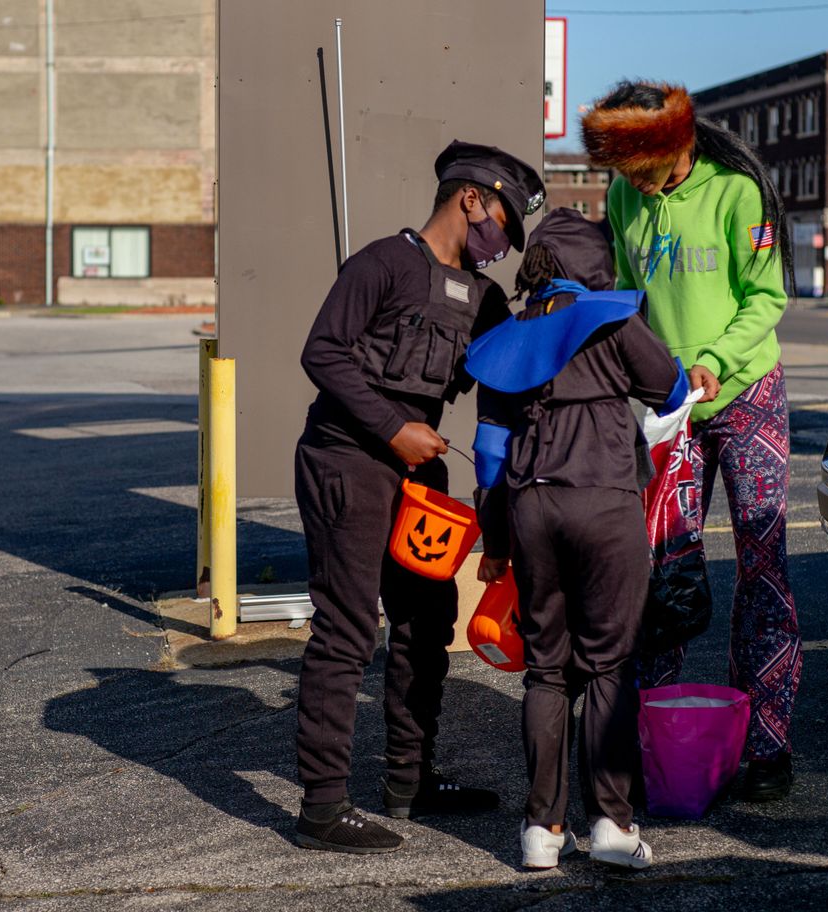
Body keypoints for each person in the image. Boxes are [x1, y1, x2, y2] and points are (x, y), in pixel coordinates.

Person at [292, 140, 545, 854]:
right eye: (500, 218)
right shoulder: (381, 264)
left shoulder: (487, 300)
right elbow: (323, 352)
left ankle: (410, 779)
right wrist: (391, 428)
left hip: (417, 476)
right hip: (346, 458)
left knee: (427, 620)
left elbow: (510, 380)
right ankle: (321, 806)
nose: (500, 241)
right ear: (470, 199)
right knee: (345, 630)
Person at [582, 81, 801, 802]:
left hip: (745, 399)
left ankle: (767, 748)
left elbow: (767, 299)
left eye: (639, 168)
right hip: (668, 410)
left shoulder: (737, 195)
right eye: (623, 173)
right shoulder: (625, 200)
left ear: (675, 141)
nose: (633, 184)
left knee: (760, 568)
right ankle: (646, 741)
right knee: (662, 574)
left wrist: (714, 362)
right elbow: (627, 293)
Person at [466, 208, 687, 869]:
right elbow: (670, 386)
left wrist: (497, 542)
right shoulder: (612, 318)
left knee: (546, 671)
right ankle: (612, 828)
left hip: (531, 508)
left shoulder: (510, 335)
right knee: (609, 667)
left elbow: (488, 457)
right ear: (593, 262)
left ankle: (541, 831)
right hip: (604, 501)